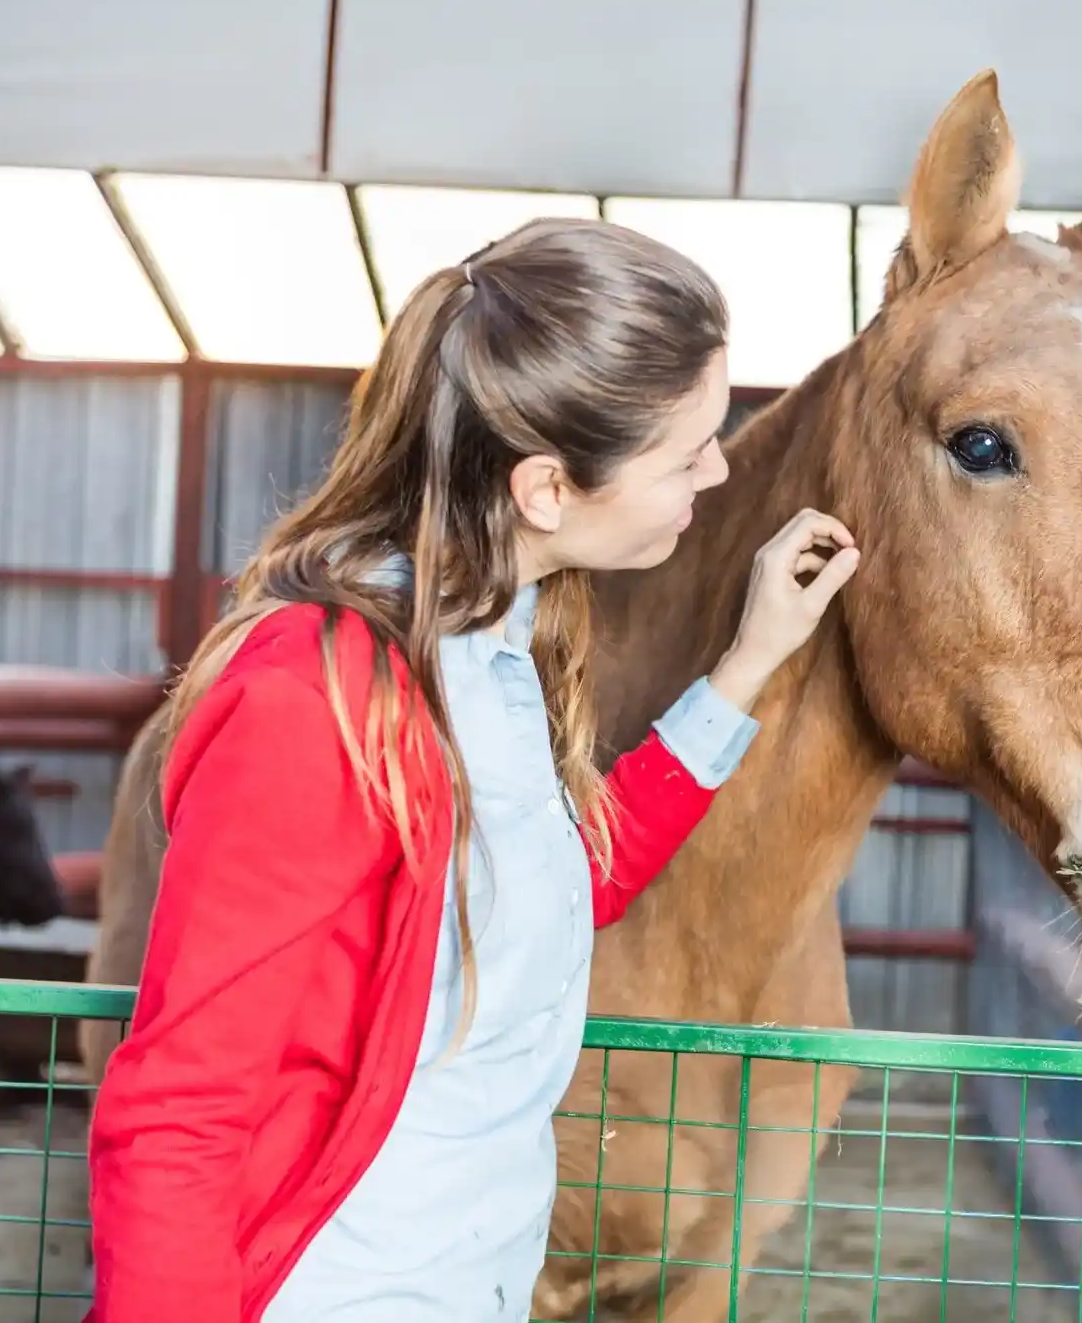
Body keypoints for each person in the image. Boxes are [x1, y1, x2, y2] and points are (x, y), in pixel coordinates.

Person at [84, 219, 860, 1323]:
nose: (719, 467)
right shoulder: (314, 696)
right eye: (686, 448)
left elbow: (553, 882)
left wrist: (747, 660)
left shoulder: (496, 652)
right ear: (546, 488)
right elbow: (180, 1109)